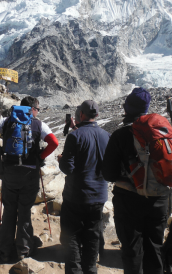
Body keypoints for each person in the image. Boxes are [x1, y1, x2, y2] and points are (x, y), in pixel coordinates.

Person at [0, 96, 58, 261]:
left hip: (9, 172)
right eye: (38, 109)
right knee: (24, 212)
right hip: (29, 175)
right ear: (33, 109)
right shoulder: (38, 124)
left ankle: (4, 251)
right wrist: (40, 157)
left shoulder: (7, 121)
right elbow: (54, 143)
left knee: (9, 211)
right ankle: (24, 251)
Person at [102, 87, 168, 274]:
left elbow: (109, 174)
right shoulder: (162, 132)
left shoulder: (121, 135)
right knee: (155, 249)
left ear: (127, 108)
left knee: (133, 251)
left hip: (130, 200)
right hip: (160, 200)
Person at [58, 100, 110, 274]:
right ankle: (91, 269)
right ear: (97, 115)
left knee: (70, 236)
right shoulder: (106, 135)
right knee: (92, 236)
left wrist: (61, 159)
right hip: (99, 196)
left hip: (76, 196)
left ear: (81, 115)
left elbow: (68, 168)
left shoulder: (75, 136)